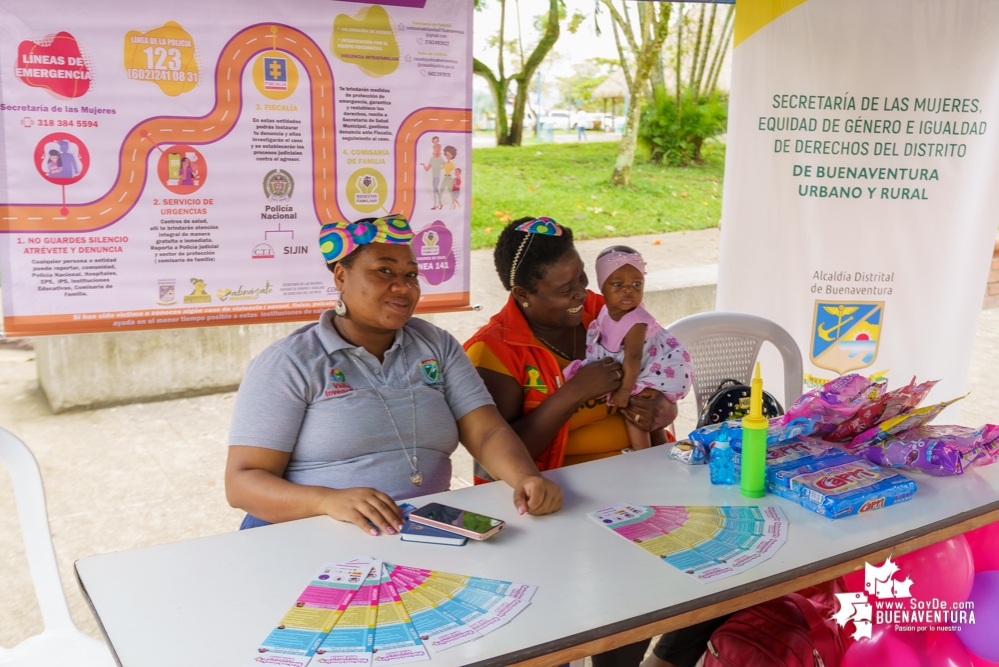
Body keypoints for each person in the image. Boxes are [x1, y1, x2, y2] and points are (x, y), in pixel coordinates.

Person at [464, 217, 722, 667]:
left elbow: (661, 371)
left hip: (636, 481)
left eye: (582, 277)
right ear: (523, 294)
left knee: (664, 588)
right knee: (551, 626)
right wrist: (574, 392)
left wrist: (658, 408)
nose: (584, 293)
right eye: (566, 290)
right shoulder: (495, 350)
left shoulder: (610, 312)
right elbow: (499, 451)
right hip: (549, 502)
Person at [225, 213, 563, 535]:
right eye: (383, 271)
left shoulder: (435, 344)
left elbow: (486, 432)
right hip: (304, 538)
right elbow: (242, 483)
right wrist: (327, 501)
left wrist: (525, 478)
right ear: (341, 277)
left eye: (411, 275)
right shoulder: (291, 362)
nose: (403, 287)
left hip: (418, 532)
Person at [564, 246, 692, 451]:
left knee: (635, 411)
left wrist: (624, 391)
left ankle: (642, 455)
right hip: (639, 367)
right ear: (602, 287)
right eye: (618, 284)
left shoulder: (635, 321)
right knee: (644, 412)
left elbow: (633, 358)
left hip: (652, 368)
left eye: (636, 284)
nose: (628, 290)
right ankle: (661, 451)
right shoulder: (605, 309)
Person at [419, 137, 444, 209]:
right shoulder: (431, 160)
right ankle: (440, 204)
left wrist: (441, 163)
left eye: (437, 152)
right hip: (434, 177)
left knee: (435, 189)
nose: (436, 152)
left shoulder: (440, 159)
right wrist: (423, 165)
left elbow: (444, 164)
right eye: (435, 151)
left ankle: (436, 205)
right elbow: (427, 169)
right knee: (436, 190)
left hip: (438, 177)